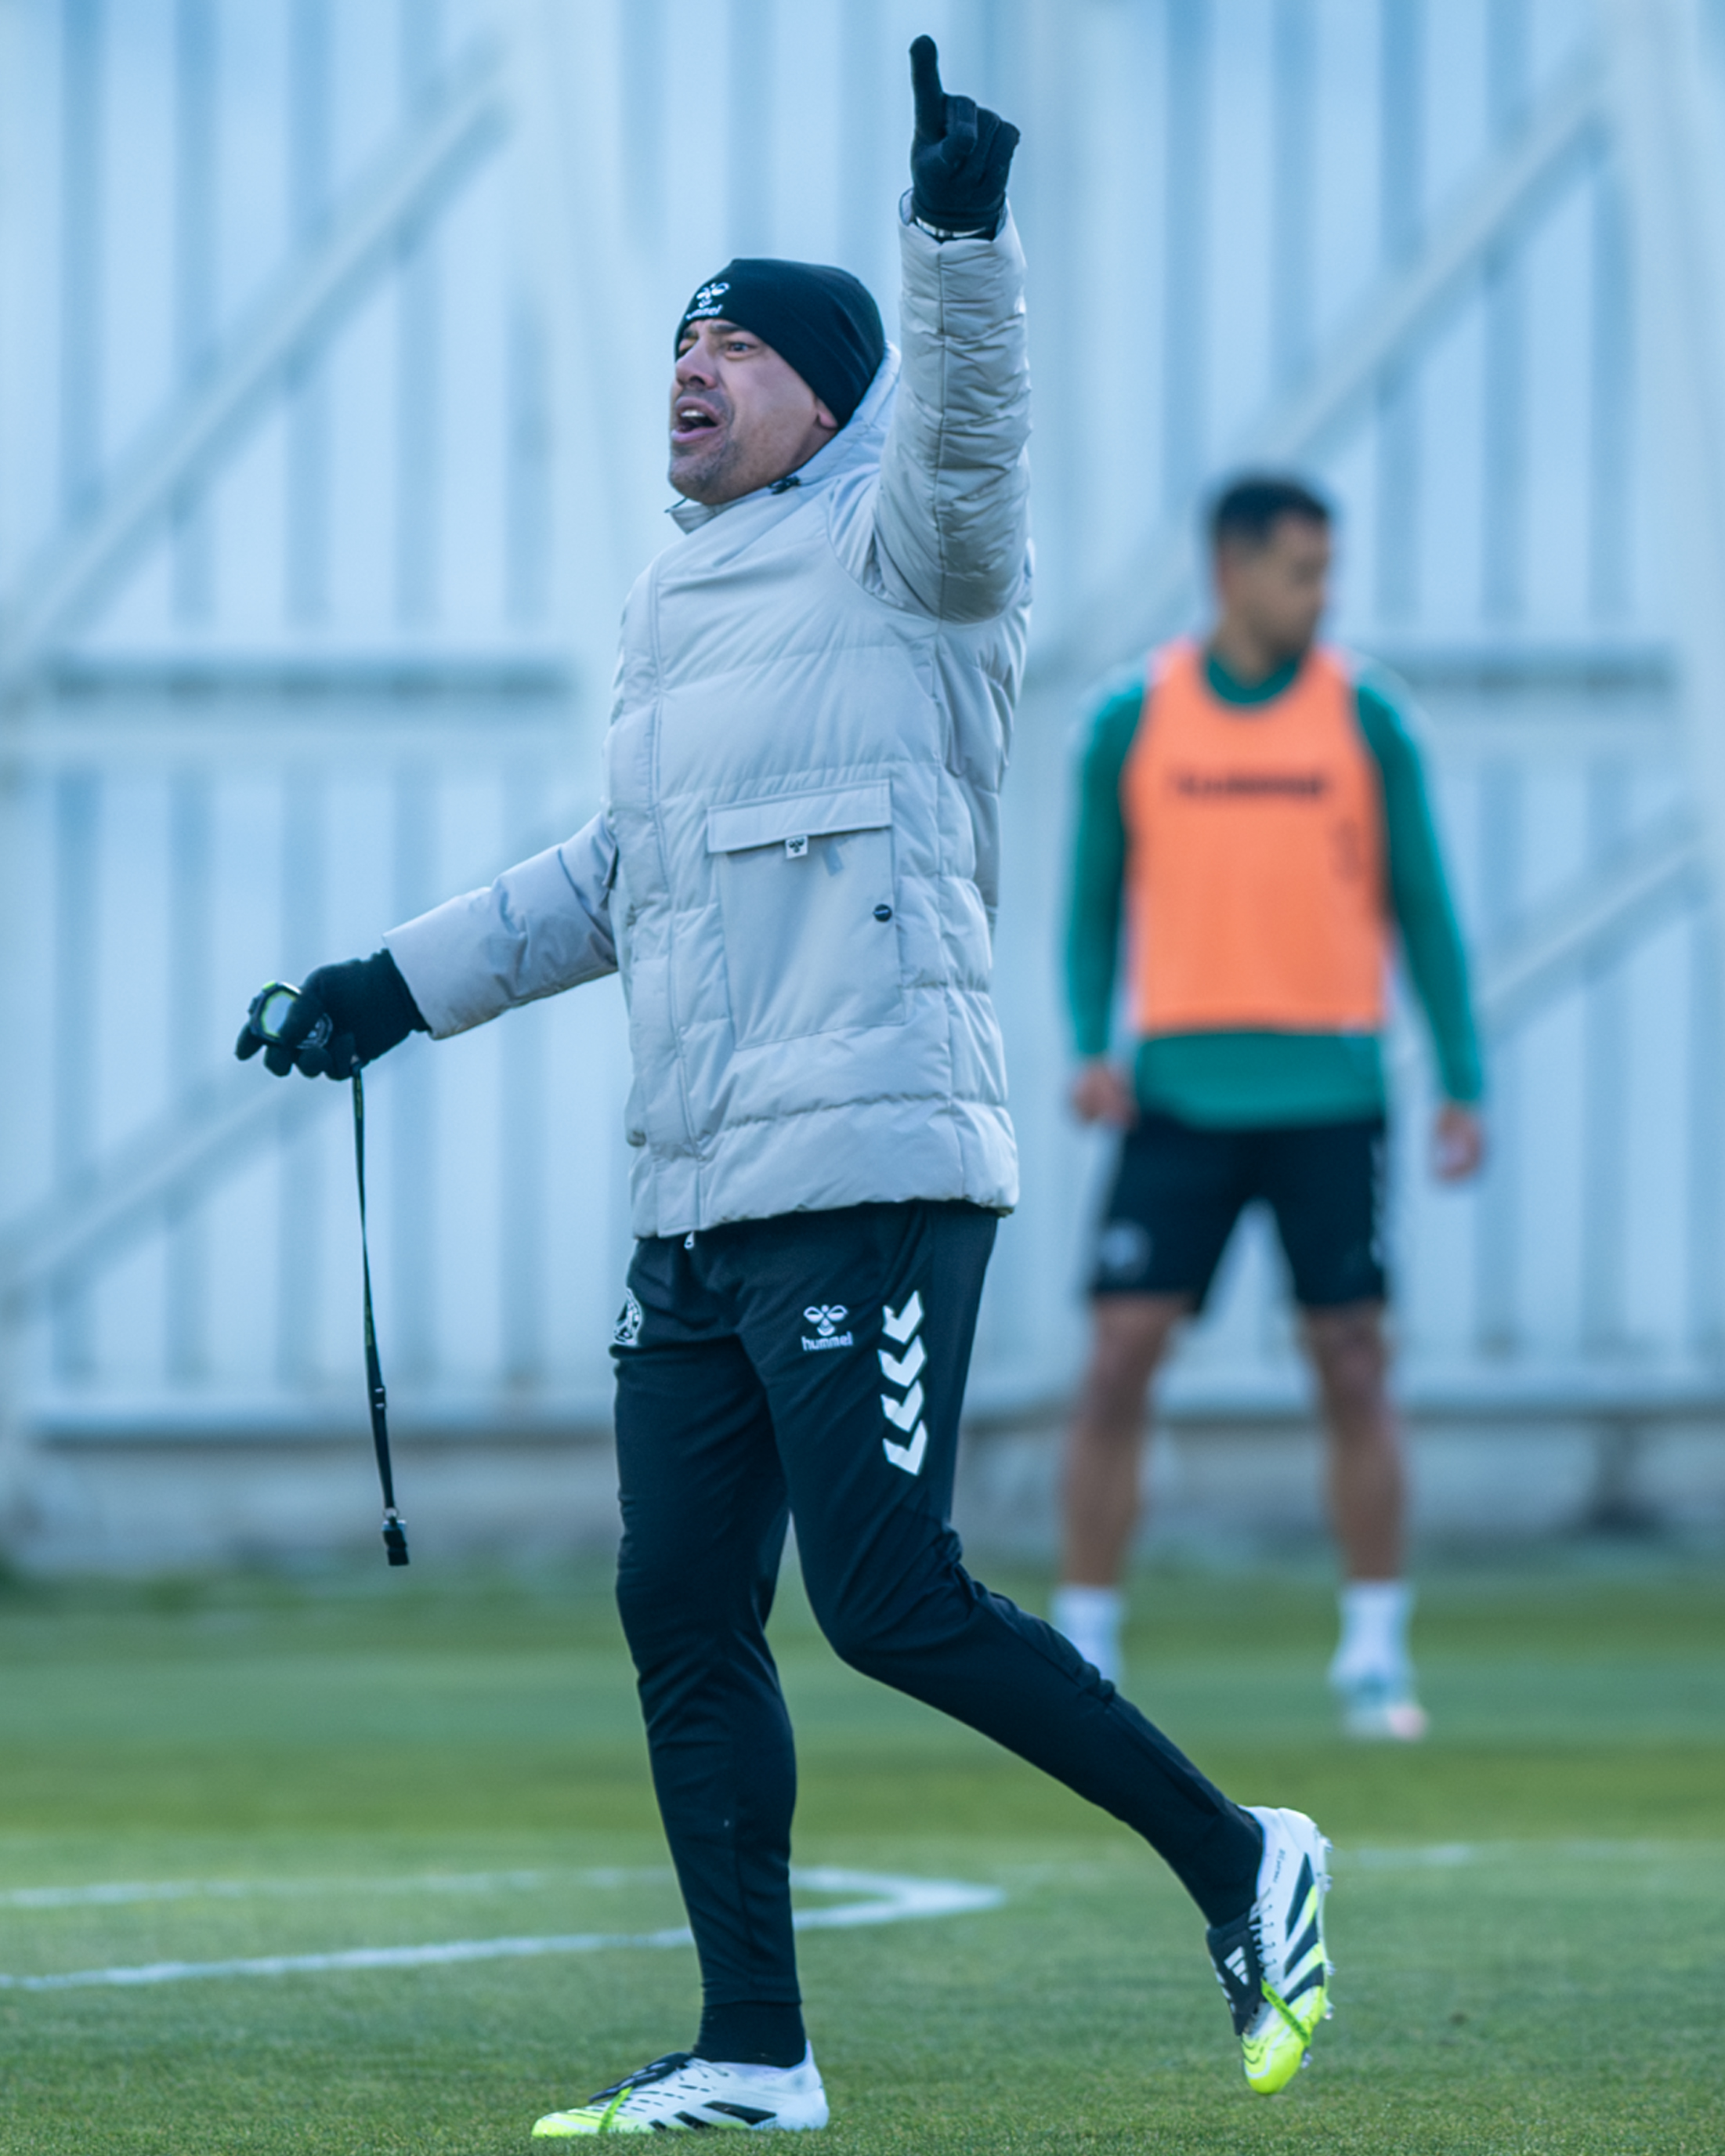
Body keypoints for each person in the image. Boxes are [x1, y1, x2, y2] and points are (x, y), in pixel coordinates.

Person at [237, 49, 1333, 2134]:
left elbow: (972, 431)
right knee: (678, 1605)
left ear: (829, 401)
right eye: (680, 337)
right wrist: (386, 988)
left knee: (890, 1601)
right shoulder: (672, 606)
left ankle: (1242, 1855)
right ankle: (756, 2051)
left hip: (872, 1165)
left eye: (735, 343)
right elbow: (618, 878)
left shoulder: (914, 560)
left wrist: (955, 244)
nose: (692, 361)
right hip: (695, 1203)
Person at [1052, 474, 1485, 1739]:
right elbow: (1088, 905)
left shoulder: (1366, 718)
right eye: (1301, 570)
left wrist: (1460, 1078)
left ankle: (1374, 1651)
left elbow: (1424, 907)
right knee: (1115, 1362)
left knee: (1352, 1361)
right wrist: (1088, 1044)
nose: (1320, 595)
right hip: (1178, 1094)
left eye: (1325, 570)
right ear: (1231, 571)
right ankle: (1081, 1646)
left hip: (1328, 1094)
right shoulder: (1133, 717)